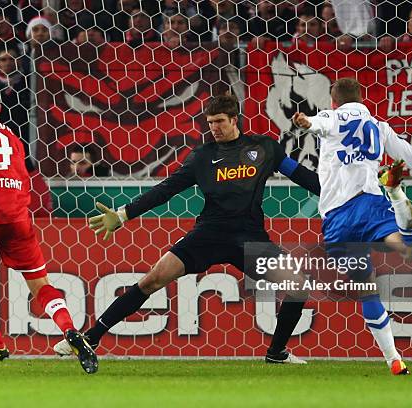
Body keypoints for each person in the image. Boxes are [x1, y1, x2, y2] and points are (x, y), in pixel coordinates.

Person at [55, 93, 321, 364]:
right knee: (151, 280)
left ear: (234, 119)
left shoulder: (265, 148)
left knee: (298, 286)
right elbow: (165, 190)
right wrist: (124, 215)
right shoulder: (202, 157)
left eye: (219, 121)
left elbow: (301, 176)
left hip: (249, 239)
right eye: (210, 122)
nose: (214, 128)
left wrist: (345, 195)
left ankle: (276, 353)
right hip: (208, 235)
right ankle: (90, 337)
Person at [291, 78, 412, 375]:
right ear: (361, 99)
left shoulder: (330, 116)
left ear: (334, 101)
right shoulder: (379, 126)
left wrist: (305, 122)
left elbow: (316, 123)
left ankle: (393, 360)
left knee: (366, 289)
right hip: (370, 205)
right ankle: (396, 194)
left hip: (336, 219)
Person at [0, 81, 97, 373]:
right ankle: (70, 330)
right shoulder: (12, 136)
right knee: (40, 284)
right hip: (17, 217)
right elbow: (24, 178)